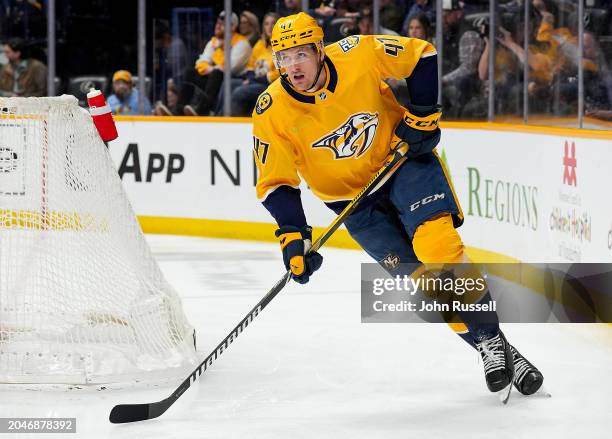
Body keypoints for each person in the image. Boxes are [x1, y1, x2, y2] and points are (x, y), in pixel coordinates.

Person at [252, 12, 544, 398]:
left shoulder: (358, 53)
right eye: (283, 58)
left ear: (320, 50)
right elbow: (276, 184)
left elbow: (421, 54)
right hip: (354, 206)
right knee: (428, 285)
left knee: (438, 249)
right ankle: (504, 351)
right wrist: (293, 238)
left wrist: (422, 115)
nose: (292, 66)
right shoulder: (270, 109)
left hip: (403, 164)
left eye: (300, 55)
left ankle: (489, 339)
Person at [161, 11, 251, 116]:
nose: (218, 26)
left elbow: (231, 67)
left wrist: (215, 60)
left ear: (232, 27)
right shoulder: (213, 42)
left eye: (222, 24)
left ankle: (202, 110)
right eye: (218, 23)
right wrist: (212, 68)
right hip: (213, 75)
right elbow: (200, 63)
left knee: (217, 73)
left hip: (234, 79)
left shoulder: (242, 43)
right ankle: (178, 110)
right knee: (191, 72)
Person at [230, 12, 280, 116]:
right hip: (256, 81)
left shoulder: (282, 45)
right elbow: (250, 65)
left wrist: (252, 80)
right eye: (266, 24)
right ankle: (218, 115)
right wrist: (251, 78)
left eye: (273, 23)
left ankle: (232, 122)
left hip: (269, 85)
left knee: (239, 92)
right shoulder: (260, 44)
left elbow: (277, 74)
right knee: (230, 83)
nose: (270, 27)